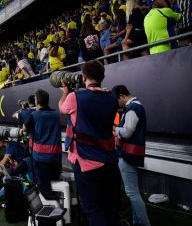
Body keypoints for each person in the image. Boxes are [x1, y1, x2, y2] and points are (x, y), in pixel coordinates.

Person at [59, 60, 121, 226]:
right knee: (110, 206)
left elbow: (62, 108)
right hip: (109, 159)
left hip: (86, 161)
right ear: (102, 77)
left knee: (93, 209)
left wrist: (65, 91)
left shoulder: (74, 97)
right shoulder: (112, 97)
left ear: (83, 76)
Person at [112, 85, 151, 226]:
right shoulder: (135, 106)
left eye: (117, 100)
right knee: (134, 192)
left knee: (132, 193)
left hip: (128, 155)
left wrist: (115, 128)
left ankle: (144, 223)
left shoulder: (133, 108)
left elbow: (127, 132)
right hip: (132, 154)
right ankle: (137, 222)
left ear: (122, 96)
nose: (116, 104)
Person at [23, 89, 62, 198]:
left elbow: (24, 128)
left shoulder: (34, 115)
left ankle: (49, 211)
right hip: (56, 157)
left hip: (40, 158)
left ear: (36, 101)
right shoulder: (56, 114)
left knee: (44, 188)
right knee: (55, 184)